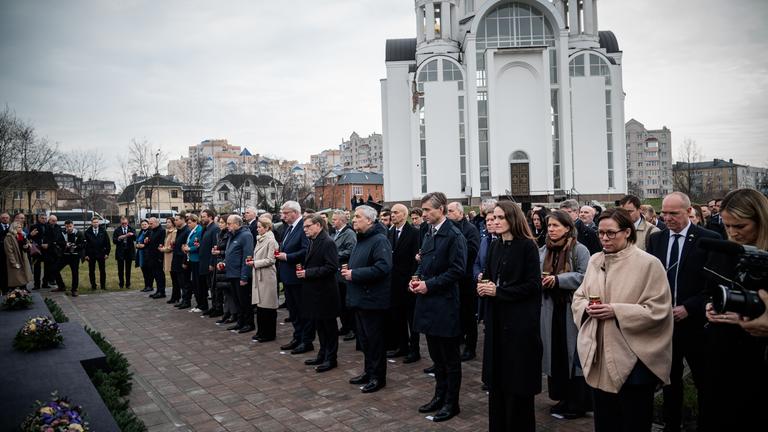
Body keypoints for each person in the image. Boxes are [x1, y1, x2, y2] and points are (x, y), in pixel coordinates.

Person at [572, 208, 673, 432]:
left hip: (634, 358)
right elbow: (579, 296)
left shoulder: (648, 264)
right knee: (606, 421)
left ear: (627, 232)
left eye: (611, 233)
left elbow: (658, 310)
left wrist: (617, 311)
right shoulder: (595, 260)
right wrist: (588, 307)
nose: (604, 238)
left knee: (634, 422)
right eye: (600, 233)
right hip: (599, 353)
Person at [646, 192, 720, 432]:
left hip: (697, 324)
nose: (667, 218)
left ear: (689, 212)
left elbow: (715, 285)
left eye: (673, 213)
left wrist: (690, 307)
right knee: (669, 380)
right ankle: (671, 425)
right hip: (664, 323)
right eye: (663, 213)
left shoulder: (709, 239)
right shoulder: (656, 240)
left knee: (704, 381)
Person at [703, 188, 768, 431]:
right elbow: (707, 291)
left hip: (757, 361)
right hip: (721, 354)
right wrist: (710, 306)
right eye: (727, 225)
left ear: (761, 220)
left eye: (740, 226)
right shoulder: (724, 252)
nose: (732, 233)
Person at [476, 202, 541, 431]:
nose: (495, 221)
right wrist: (484, 286)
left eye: (500, 217)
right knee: (498, 384)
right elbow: (492, 277)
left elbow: (533, 287)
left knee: (517, 385)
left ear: (512, 219)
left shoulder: (527, 247)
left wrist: (499, 291)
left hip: (519, 325)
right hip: (497, 322)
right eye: (493, 217)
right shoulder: (496, 246)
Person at [411, 192, 467, 422]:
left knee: (449, 359)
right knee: (436, 357)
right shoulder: (428, 232)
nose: (423, 214)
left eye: (427, 210)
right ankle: (439, 396)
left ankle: (451, 403)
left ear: (441, 209)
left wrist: (429, 284)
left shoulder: (454, 235)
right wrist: (415, 277)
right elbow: (424, 261)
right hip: (428, 302)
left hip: (444, 304)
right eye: (422, 210)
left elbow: (457, 270)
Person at [538, 210, 591, 419]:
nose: (551, 229)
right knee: (557, 354)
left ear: (567, 228)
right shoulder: (544, 250)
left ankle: (578, 402)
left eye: (556, 226)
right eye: (549, 226)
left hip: (571, 309)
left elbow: (585, 276)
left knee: (573, 355)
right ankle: (562, 397)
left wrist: (559, 280)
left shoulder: (579, 249)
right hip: (550, 309)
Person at [342, 205, 392, 394]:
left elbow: (383, 267)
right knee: (364, 340)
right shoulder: (361, 239)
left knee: (375, 341)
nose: (354, 220)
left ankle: (378, 377)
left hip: (373, 300)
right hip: (360, 299)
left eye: (358, 217)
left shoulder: (379, 240)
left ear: (370, 220)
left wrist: (354, 274)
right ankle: (368, 371)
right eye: (354, 217)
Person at [297, 214, 340, 372]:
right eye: (304, 227)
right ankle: (322, 354)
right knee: (320, 326)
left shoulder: (327, 242)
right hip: (315, 293)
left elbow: (331, 267)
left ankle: (331, 358)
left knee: (329, 327)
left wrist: (308, 273)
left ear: (319, 225)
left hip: (326, 293)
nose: (305, 230)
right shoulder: (312, 241)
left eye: (308, 226)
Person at [385, 203, 421, 363]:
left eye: (396, 213)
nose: (392, 215)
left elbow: (417, 259)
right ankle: (402, 346)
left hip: (407, 281)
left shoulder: (414, 233)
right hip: (393, 283)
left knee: (411, 317)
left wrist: (412, 279)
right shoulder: (390, 232)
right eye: (391, 212)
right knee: (397, 316)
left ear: (404, 215)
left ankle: (415, 350)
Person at [276, 201, 313, 354]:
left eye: (286, 213)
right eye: (283, 213)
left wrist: (288, 257)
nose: (283, 216)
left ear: (295, 212)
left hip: (298, 276)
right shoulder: (289, 228)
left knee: (302, 310)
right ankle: (297, 337)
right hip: (288, 276)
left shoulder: (302, 227)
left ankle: (306, 340)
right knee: (293, 311)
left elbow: (306, 250)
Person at [446, 202, 481, 362]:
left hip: (466, 279)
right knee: (456, 312)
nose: (448, 213)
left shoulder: (470, 229)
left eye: (451, 211)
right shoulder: (450, 229)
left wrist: (456, 251)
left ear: (460, 213)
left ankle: (470, 347)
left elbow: (473, 251)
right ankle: (459, 338)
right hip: (454, 278)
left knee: (468, 314)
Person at [223, 215, 254, 334]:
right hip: (231, 273)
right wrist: (224, 263)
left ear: (237, 224)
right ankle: (240, 322)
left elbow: (247, 256)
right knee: (237, 300)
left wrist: (244, 276)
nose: (227, 226)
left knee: (244, 300)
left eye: (229, 224)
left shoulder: (246, 235)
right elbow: (231, 253)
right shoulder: (232, 235)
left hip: (240, 275)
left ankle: (249, 323)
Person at [249, 215, 278, 342]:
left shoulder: (271, 241)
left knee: (268, 306)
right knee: (260, 306)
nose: (257, 229)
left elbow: (271, 259)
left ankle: (269, 333)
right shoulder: (260, 239)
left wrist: (255, 263)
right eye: (257, 227)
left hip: (267, 276)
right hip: (259, 275)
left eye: (260, 227)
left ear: (266, 228)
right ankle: (261, 331)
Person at [332, 210, 357, 341]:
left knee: (347, 303)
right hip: (337, 274)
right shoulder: (335, 233)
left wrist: (335, 255)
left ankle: (352, 329)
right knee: (340, 303)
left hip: (344, 272)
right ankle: (345, 326)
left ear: (342, 221)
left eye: (335, 219)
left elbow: (351, 250)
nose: (332, 221)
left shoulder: (349, 233)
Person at [213, 215, 237, 325]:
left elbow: (230, 251)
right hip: (220, 264)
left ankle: (233, 313)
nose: (220, 224)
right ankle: (226, 312)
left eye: (223, 222)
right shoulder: (220, 234)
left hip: (227, 264)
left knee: (230, 291)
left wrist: (220, 253)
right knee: (224, 291)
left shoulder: (230, 235)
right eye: (220, 222)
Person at [199, 209, 221, 317]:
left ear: (210, 217)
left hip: (210, 262)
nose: (202, 219)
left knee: (214, 286)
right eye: (201, 217)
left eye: (204, 216)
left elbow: (215, 246)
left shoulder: (215, 229)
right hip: (204, 261)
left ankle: (217, 308)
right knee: (210, 286)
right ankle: (213, 306)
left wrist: (212, 263)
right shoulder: (206, 228)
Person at [183, 214, 206, 312]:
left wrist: (190, 248)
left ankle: (202, 304)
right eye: (187, 223)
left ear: (195, 221)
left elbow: (199, 245)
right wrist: (186, 247)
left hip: (197, 259)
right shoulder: (192, 231)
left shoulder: (199, 230)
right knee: (195, 282)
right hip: (192, 259)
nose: (188, 225)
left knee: (198, 283)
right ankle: (199, 303)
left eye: (190, 223)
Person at [4, 221, 32, 292]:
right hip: (16, 258)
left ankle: (24, 289)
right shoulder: (9, 237)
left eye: (21, 227)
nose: (20, 229)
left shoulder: (22, 235)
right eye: (19, 227)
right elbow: (9, 251)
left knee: (24, 274)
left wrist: (27, 246)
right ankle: (15, 292)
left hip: (23, 257)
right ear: (14, 228)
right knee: (16, 277)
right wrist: (13, 262)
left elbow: (28, 244)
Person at [60, 220, 84, 297]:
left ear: (73, 226)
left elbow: (83, 244)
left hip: (75, 256)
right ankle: (61, 286)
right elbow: (58, 242)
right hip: (65, 256)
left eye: (70, 226)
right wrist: (65, 244)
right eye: (67, 227)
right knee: (55, 269)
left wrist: (76, 246)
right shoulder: (62, 233)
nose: (69, 228)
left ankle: (74, 289)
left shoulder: (79, 233)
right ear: (65, 227)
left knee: (75, 273)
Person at [171, 215, 190, 306]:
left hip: (182, 259)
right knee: (180, 281)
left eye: (177, 220)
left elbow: (185, 247)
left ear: (182, 220)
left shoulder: (186, 231)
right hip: (177, 259)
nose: (175, 221)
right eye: (174, 220)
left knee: (184, 281)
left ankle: (186, 300)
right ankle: (183, 299)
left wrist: (184, 261)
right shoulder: (179, 231)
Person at [41, 215, 65, 289]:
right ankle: (45, 282)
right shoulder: (46, 227)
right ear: (49, 220)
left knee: (54, 267)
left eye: (55, 221)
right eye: (53, 221)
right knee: (47, 267)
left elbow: (59, 238)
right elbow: (45, 238)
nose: (54, 222)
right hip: (47, 251)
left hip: (56, 250)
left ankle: (52, 279)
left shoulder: (58, 227)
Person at [112, 216, 135, 289]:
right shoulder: (117, 230)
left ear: (128, 222)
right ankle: (121, 284)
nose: (124, 224)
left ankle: (128, 284)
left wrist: (132, 235)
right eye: (122, 223)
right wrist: (121, 237)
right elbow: (114, 241)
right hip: (120, 251)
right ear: (120, 223)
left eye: (125, 223)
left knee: (128, 269)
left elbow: (135, 238)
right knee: (120, 269)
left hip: (129, 251)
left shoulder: (131, 229)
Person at [145, 217, 166, 298]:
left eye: (151, 223)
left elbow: (161, 244)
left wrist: (160, 258)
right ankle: (158, 291)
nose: (150, 225)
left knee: (159, 275)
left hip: (158, 257)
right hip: (151, 256)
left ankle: (162, 291)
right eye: (149, 223)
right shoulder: (151, 231)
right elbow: (150, 242)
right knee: (155, 275)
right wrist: (147, 240)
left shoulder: (161, 231)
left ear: (157, 222)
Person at [158, 217, 176, 299]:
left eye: (169, 222)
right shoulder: (167, 232)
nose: (167, 223)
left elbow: (172, 246)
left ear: (173, 223)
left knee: (174, 277)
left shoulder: (174, 232)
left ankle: (175, 296)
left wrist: (163, 249)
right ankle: (174, 296)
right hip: (167, 256)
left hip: (171, 256)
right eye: (166, 222)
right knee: (172, 277)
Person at [29, 214, 47, 289]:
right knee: (37, 267)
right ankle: (37, 284)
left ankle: (45, 283)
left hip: (46, 249)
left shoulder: (47, 226)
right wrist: (40, 244)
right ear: (39, 218)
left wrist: (47, 244)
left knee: (47, 267)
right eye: (42, 218)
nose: (44, 219)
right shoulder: (34, 226)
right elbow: (31, 238)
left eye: (45, 218)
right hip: (37, 249)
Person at [134, 220, 152, 293]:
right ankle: (146, 286)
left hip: (147, 254)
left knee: (148, 271)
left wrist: (144, 245)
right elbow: (138, 240)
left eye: (145, 224)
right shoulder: (141, 232)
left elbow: (150, 243)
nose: (144, 225)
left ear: (148, 225)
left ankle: (150, 286)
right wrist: (137, 245)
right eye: (142, 224)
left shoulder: (150, 232)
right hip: (141, 254)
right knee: (144, 271)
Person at [0, 212, 10, 294]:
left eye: (7, 218)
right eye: (3, 218)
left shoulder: (12, 227)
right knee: (2, 272)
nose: (5, 219)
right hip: (1, 253)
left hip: (11, 254)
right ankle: (4, 289)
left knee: (9, 272)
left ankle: (10, 288)